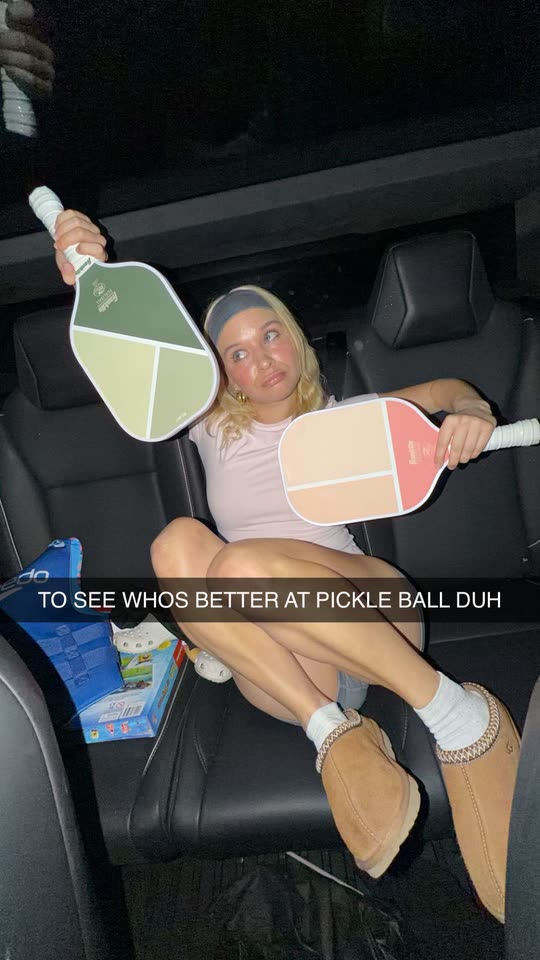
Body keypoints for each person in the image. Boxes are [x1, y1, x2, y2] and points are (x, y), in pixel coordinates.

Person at [54, 209, 520, 925]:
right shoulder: (209, 423)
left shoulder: (344, 416)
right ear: (222, 372)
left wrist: (469, 412)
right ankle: (331, 733)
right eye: (237, 353)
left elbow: (446, 391)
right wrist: (90, 277)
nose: (262, 359)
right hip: (295, 672)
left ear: (294, 339)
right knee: (175, 544)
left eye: (270, 335)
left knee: (238, 565)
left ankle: (455, 715)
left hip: (372, 615)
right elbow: (140, 358)